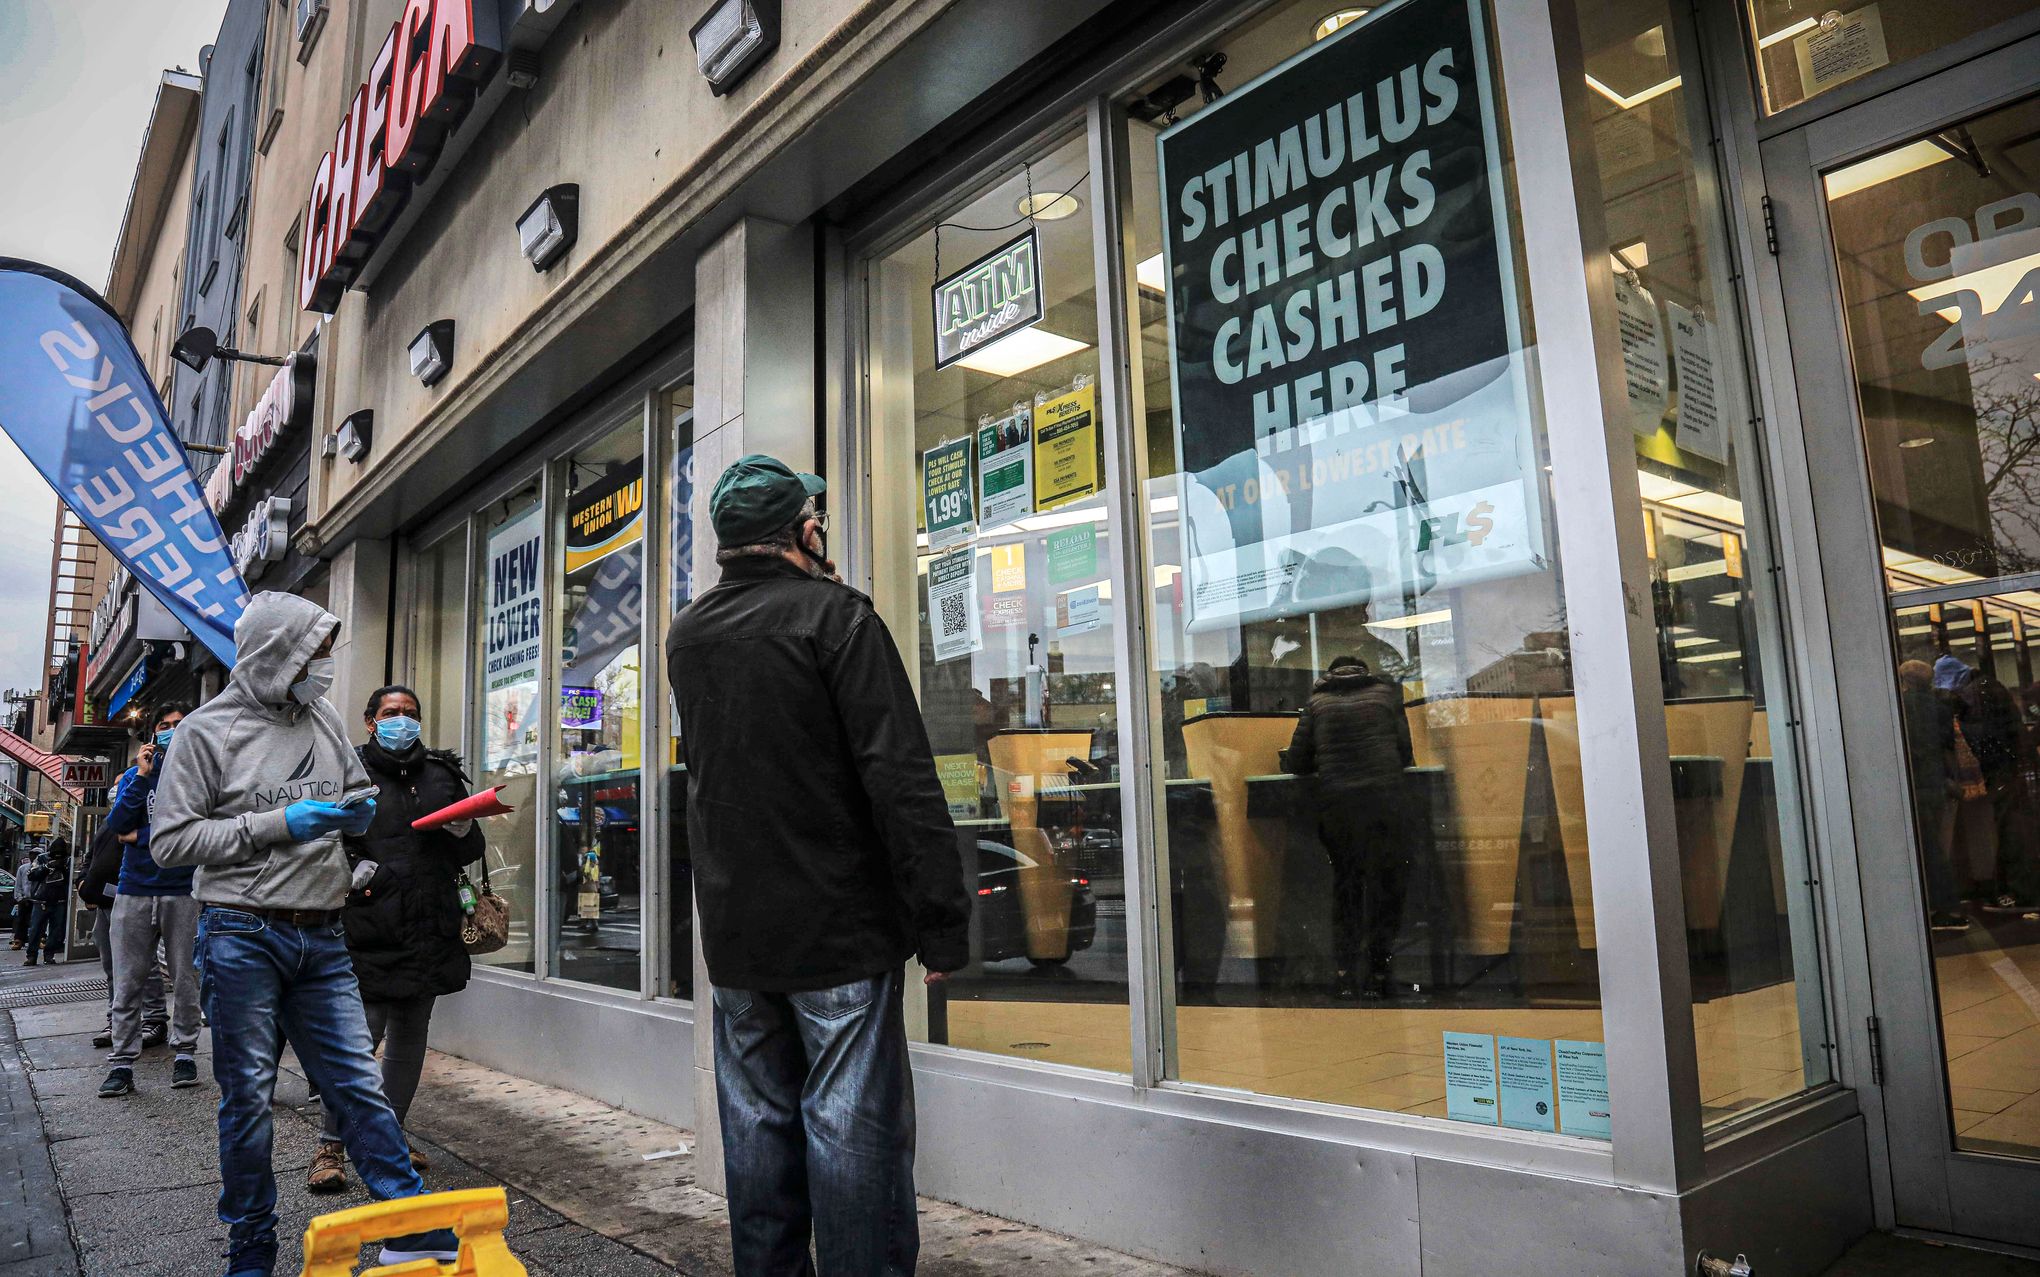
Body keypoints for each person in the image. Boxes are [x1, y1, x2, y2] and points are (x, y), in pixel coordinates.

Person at [666, 455, 972, 1275]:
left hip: (737, 937)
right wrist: (942, 922)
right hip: (837, 928)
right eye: (817, 520)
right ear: (804, 529)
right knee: (850, 1132)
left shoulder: (687, 635)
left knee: (758, 1131)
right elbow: (901, 778)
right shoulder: (839, 619)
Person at [151, 592, 460, 1276]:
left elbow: (355, 788)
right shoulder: (207, 731)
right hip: (240, 932)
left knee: (356, 1081)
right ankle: (252, 1244)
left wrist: (354, 817)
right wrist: (281, 823)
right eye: (313, 653)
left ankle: (407, 1225)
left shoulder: (320, 715)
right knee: (249, 1094)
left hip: (324, 933)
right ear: (274, 654)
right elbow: (172, 841)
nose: (322, 666)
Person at [306, 685, 485, 1195]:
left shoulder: (442, 774)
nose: (401, 720)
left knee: (409, 1041)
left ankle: (389, 1138)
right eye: (390, 713)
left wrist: (463, 827)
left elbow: (469, 849)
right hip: (370, 922)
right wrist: (356, 871)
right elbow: (326, 836)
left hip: (430, 923)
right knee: (359, 1042)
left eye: (409, 712)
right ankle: (331, 1146)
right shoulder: (349, 769)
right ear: (370, 721)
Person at [1285, 655, 1415, 1001]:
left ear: (1330, 675)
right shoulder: (1387, 695)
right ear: (1364, 672)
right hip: (1385, 804)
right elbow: (1405, 753)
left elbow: (1296, 762)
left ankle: (1344, 974)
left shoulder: (1316, 702)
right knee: (1384, 887)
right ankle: (1378, 970)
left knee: (1347, 886)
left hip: (1339, 807)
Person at [98, 703, 204, 1098]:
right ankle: (123, 1063)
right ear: (151, 732)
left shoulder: (197, 774)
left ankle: (185, 1054)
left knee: (186, 979)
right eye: (165, 725)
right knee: (129, 981)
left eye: (179, 725)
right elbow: (118, 825)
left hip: (182, 890)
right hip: (134, 889)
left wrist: (142, 838)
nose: (172, 731)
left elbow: (195, 831)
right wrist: (142, 775)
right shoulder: (133, 776)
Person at [76, 818, 167, 1052]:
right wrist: (84, 883)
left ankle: (154, 1019)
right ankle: (117, 1020)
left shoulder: (148, 818)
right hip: (106, 903)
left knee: (144, 962)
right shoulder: (109, 823)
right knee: (112, 965)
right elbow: (92, 856)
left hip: (134, 898)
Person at [1898, 658, 1968, 933]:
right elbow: (1947, 746)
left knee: (1926, 848)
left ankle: (1944, 906)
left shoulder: (1902, 707)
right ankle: (1944, 904)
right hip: (1936, 782)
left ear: (1904, 681)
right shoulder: (1940, 707)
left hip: (1915, 783)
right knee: (1935, 845)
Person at [22, 836, 71, 966]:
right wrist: (47, 867)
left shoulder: (68, 861)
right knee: (35, 929)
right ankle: (32, 955)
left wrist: (63, 869)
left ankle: (48, 955)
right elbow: (31, 875)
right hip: (41, 899)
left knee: (56, 930)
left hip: (58, 900)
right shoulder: (42, 858)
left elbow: (71, 878)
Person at [10, 842, 35, 949]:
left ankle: (39, 939)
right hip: (24, 899)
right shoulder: (23, 868)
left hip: (36, 900)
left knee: (37, 921)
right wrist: (19, 898)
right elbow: (18, 884)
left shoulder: (43, 868)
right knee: (21, 921)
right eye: (32, 855)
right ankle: (19, 940)